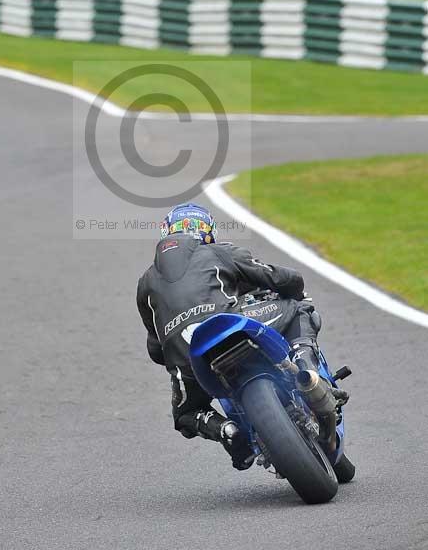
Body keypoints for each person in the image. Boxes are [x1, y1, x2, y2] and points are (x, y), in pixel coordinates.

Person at [136, 202, 348, 471]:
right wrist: (295, 288)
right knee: (298, 310)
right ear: (207, 233)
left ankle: (226, 429)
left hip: (187, 356)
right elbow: (278, 278)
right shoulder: (218, 251)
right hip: (229, 325)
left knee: (186, 414)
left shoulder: (145, 283)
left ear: (167, 232)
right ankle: (308, 374)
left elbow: (155, 349)